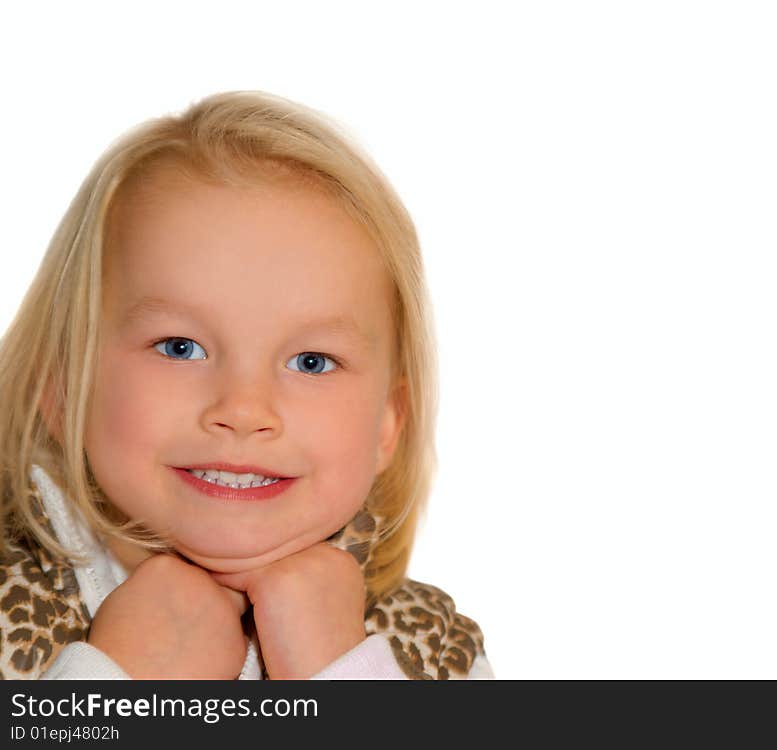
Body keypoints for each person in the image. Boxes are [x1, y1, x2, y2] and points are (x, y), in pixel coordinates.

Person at [0, 90, 493, 680]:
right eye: (180, 348)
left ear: (388, 422)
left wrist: (342, 672)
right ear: (64, 388)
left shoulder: (435, 649)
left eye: (312, 361)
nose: (242, 409)